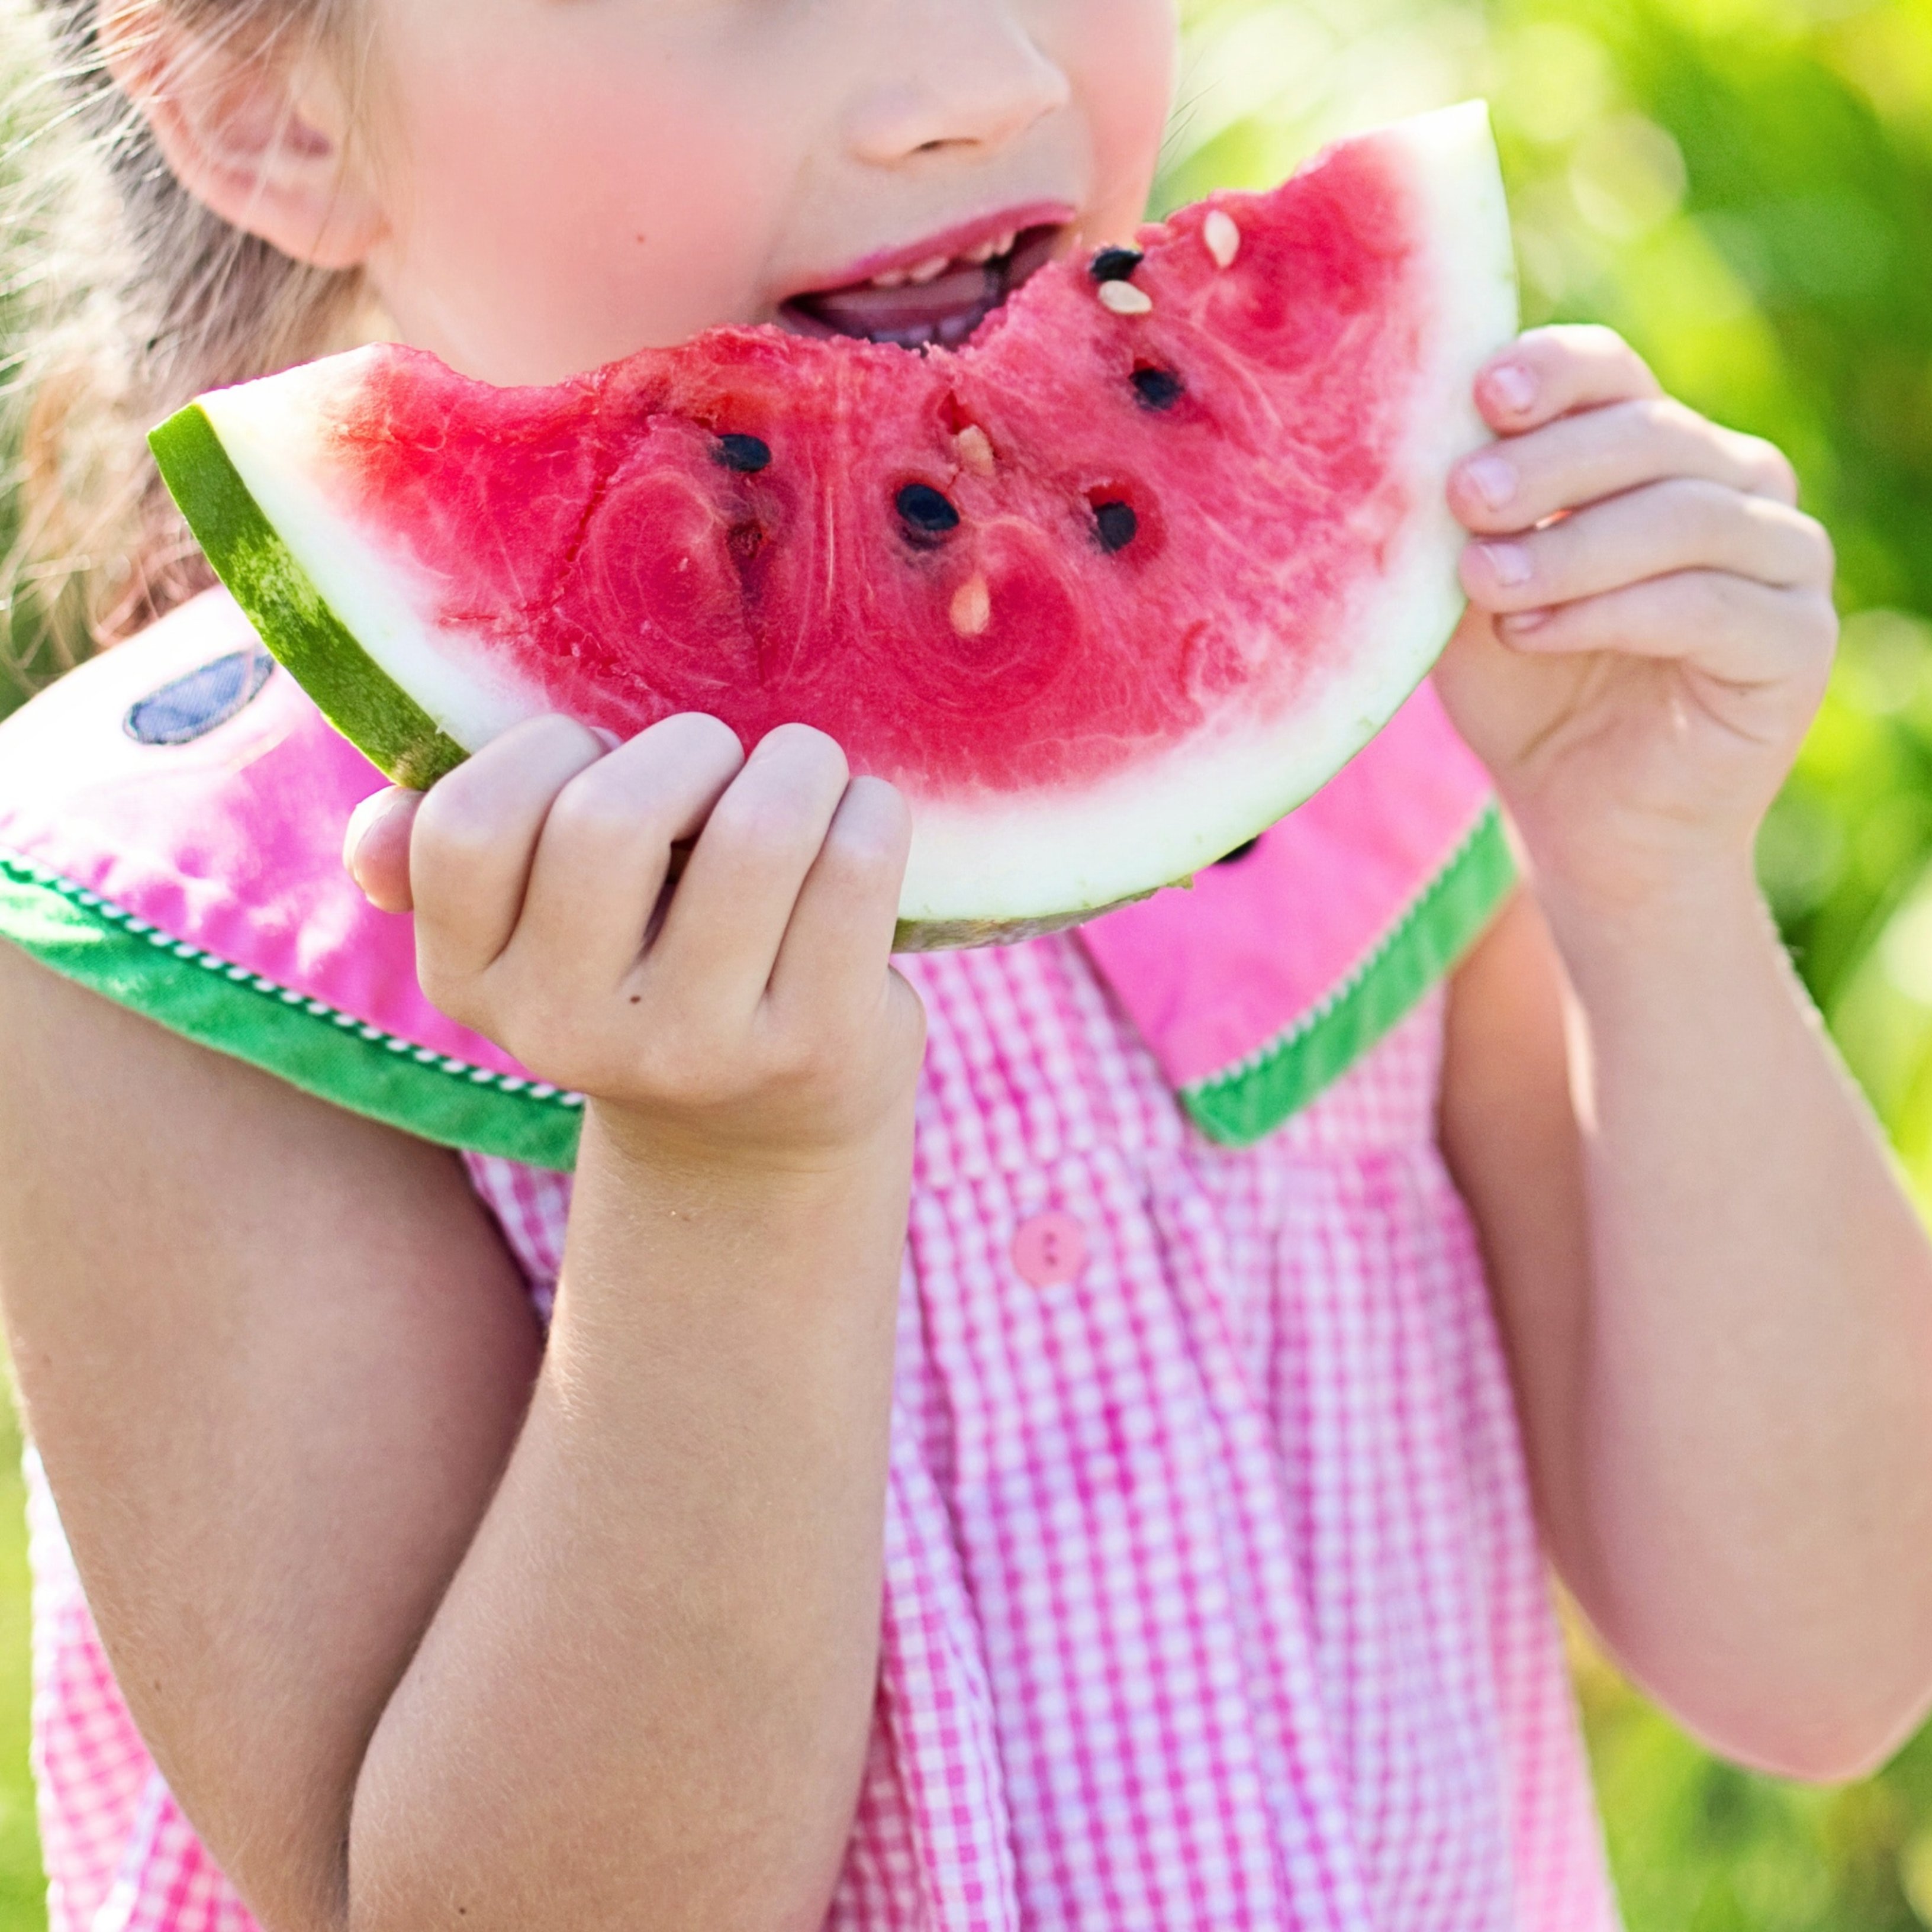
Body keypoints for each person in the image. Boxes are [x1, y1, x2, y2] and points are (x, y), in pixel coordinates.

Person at [0, 0, 1925, 1927]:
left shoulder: (1355, 708)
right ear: (258, 107)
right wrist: (731, 1181)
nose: (986, 80)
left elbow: (1832, 1658)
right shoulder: (182, 947)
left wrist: (1655, 887)